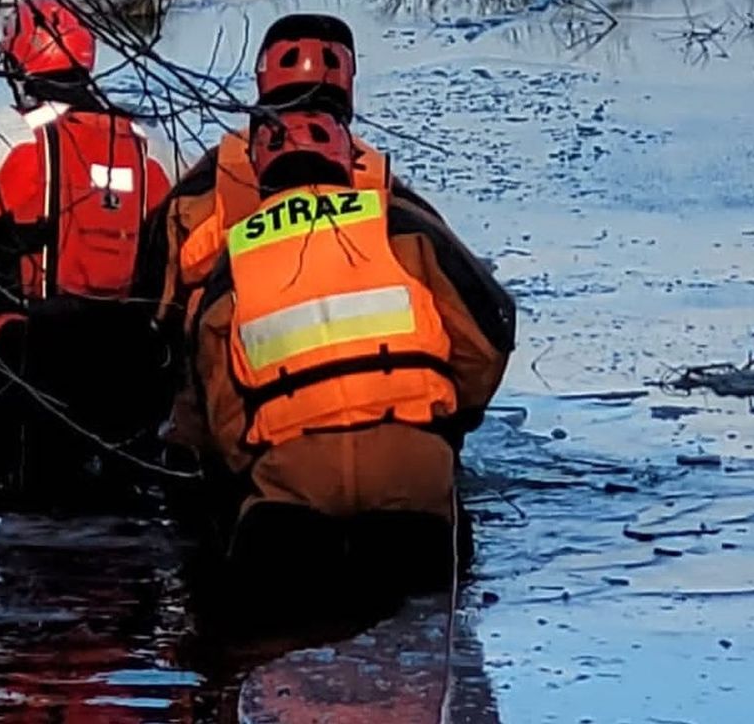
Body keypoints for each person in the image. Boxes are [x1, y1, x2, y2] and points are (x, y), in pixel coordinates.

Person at [189, 110, 516, 621]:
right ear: (345, 160)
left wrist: (255, 463)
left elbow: (218, 403)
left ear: (259, 169)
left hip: (293, 495)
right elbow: (490, 327)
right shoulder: (398, 222)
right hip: (412, 478)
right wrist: (448, 422)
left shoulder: (235, 257)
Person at [151, 13, 446, 454]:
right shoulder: (381, 183)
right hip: (394, 419)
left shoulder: (207, 182)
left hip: (249, 422)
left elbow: (159, 306)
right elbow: (462, 302)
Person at [0, 0, 178, 509]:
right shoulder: (152, 146)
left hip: (24, 368)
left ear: (16, 61)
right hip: (129, 375)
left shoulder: (3, 131)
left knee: (11, 511)